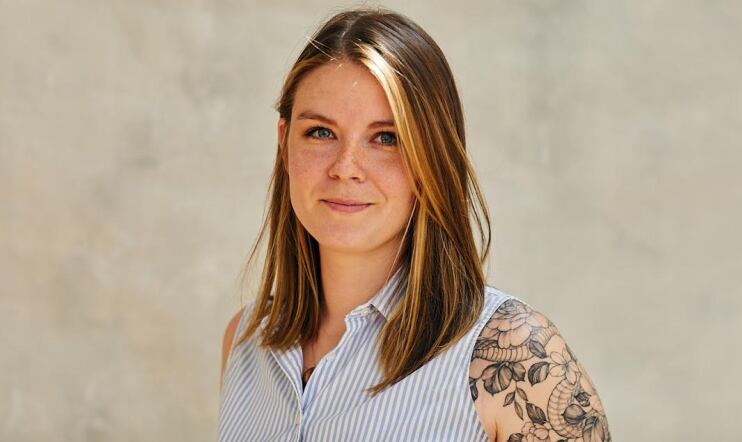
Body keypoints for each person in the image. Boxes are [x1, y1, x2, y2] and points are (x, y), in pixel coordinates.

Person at [218, 6, 611, 442]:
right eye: (320, 133)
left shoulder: (514, 356)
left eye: (387, 138)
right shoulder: (246, 341)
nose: (346, 168)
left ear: (433, 159)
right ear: (283, 143)